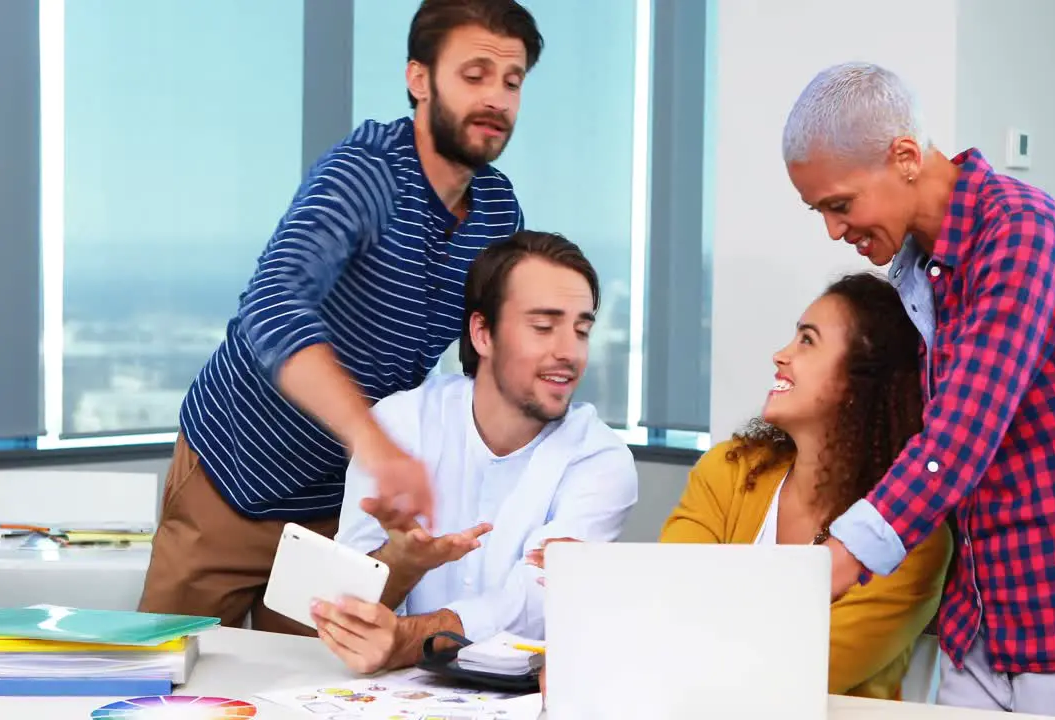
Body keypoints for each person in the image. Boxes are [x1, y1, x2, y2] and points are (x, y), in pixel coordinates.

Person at [781, 62, 1055, 718]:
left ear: (904, 157)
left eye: (840, 205)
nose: (834, 231)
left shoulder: (1022, 234)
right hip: (995, 624)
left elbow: (959, 436)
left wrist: (842, 557)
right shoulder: (924, 272)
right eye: (820, 212)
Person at [138, 0, 543, 635]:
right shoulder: (364, 174)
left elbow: (485, 354)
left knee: (316, 693)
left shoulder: (498, 211)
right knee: (163, 680)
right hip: (233, 473)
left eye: (512, 80)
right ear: (419, 78)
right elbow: (272, 305)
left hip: (341, 511)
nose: (496, 96)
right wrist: (379, 446)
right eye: (475, 74)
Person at [530, 273, 952, 701]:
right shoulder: (729, 470)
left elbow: (796, 672)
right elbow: (671, 598)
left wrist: (614, 646)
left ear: (861, 381)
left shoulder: (909, 540)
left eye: (807, 341)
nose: (780, 355)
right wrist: (611, 593)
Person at [309, 231, 639, 674]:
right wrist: (402, 564)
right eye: (543, 327)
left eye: (581, 330)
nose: (569, 352)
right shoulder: (401, 425)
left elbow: (538, 601)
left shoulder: (601, 460)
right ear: (483, 334)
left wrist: (410, 638)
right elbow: (346, 603)